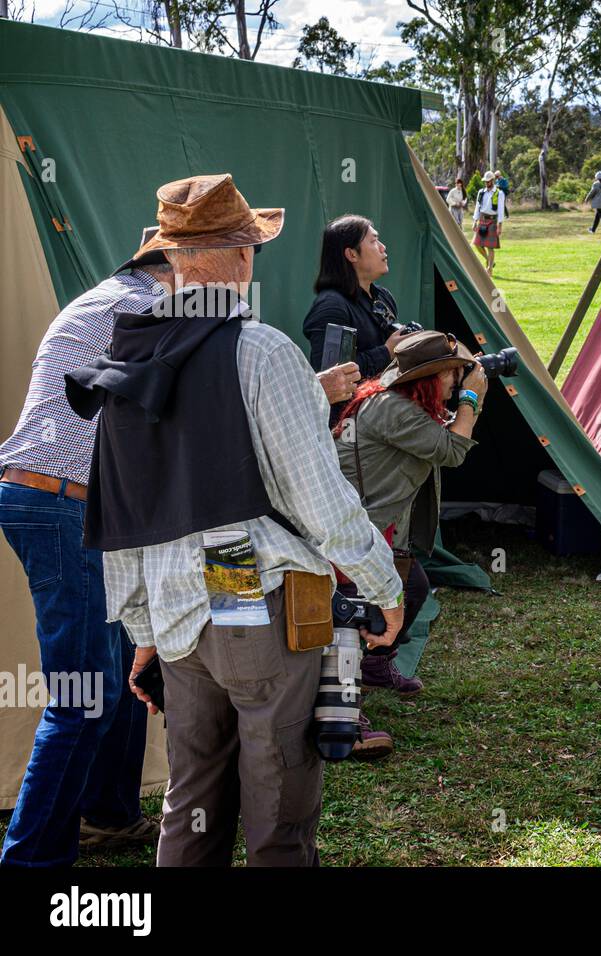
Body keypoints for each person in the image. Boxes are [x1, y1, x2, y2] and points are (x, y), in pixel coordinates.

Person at [65, 173, 405, 867]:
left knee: (191, 806)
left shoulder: (126, 359)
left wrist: (142, 629)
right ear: (246, 255)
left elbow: (125, 510)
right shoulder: (262, 352)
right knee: (277, 799)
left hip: (179, 613)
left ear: (172, 257)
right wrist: (382, 580)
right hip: (252, 600)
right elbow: (317, 495)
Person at [0, 235, 172, 866]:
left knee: (125, 662)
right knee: (82, 695)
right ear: (185, 265)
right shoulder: (148, 309)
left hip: (73, 505)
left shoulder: (130, 298)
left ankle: (108, 815)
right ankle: (30, 861)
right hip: (63, 505)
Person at [332, 332, 486, 756]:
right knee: (349, 621)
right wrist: (472, 398)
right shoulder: (396, 411)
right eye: (453, 373)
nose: (458, 379)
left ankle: (377, 665)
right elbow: (452, 449)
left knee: (413, 588)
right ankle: (344, 720)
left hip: (375, 526)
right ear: (430, 378)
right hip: (349, 531)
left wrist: (469, 377)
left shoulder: (395, 400)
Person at [302, 215, 415, 392]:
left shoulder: (382, 297)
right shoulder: (331, 307)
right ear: (352, 254)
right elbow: (333, 377)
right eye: (374, 241)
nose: (383, 247)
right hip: (349, 417)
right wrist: (386, 352)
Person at [473, 171, 507, 275]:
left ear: (492, 181)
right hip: (482, 220)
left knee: (490, 247)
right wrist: (475, 221)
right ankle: (489, 260)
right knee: (476, 244)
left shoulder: (499, 193)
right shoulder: (481, 192)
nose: (486, 183)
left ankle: (490, 269)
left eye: (488, 181)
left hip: (492, 221)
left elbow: (501, 210)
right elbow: (477, 207)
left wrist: (499, 226)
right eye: (485, 181)